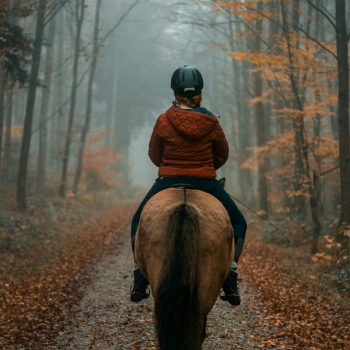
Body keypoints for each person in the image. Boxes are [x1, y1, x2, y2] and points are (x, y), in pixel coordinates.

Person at [130, 65, 247, 306]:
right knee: (238, 222)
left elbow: (154, 154)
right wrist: (205, 167)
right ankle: (230, 276)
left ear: (175, 92)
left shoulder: (163, 120)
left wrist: (170, 165)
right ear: (199, 93)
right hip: (205, 182)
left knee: (137, 220)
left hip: (168, 181)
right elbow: (222, 154)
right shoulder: (212, 122)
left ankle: (140, 278)